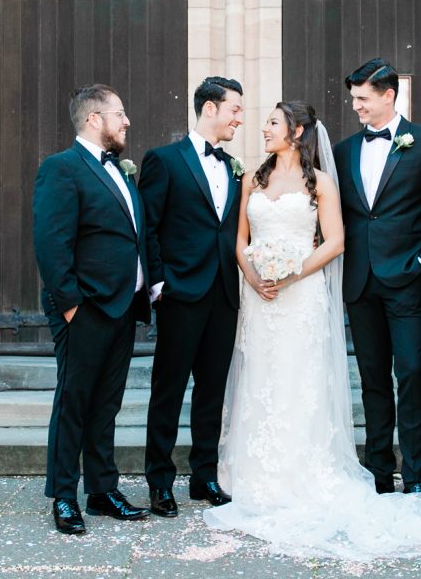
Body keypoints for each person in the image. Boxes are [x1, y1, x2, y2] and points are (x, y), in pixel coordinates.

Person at [204, 101, 421, 560]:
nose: (262, 128)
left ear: (296, 130)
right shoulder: (253, 178)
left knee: (303, 382)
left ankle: (316, 469)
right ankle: (257, 472)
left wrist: (292, 273)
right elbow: (240, 239)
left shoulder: (321, 181)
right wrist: (252, 273)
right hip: (261, 298)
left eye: (271, 122)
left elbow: (337, 241)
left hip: (300, 295)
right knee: (262, 379)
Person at [33, 84, 153, 535]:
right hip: (84, 308)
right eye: (119, 114)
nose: (126, 122)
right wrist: (69, 308)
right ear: (93, 120)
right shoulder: (61, 169)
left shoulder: (121, 171)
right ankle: (64, 495)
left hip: (122, 306)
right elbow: (51, 243)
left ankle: (102, 490)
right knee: (74, 403)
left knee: (106, 404)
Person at [333, 59, 421, 494]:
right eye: (353, 100)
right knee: (372, 379)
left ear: (388, 95)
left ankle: (416, 474)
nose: (356, 108)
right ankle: (379, 471)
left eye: (363, 99)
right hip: (360, 282)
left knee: (411, 373)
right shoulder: (344, 151)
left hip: (405, 279)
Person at [139, 76, 244, 517]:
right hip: (180, 293)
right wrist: (159, 284)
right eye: (234, 109)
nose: (240, 117)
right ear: (210, 109)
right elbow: (149, 227)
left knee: (212, 392)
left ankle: (205, 477)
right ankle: (160, 482)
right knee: (169, 390)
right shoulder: (164, 160)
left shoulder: (236, 166)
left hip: (223, 292)